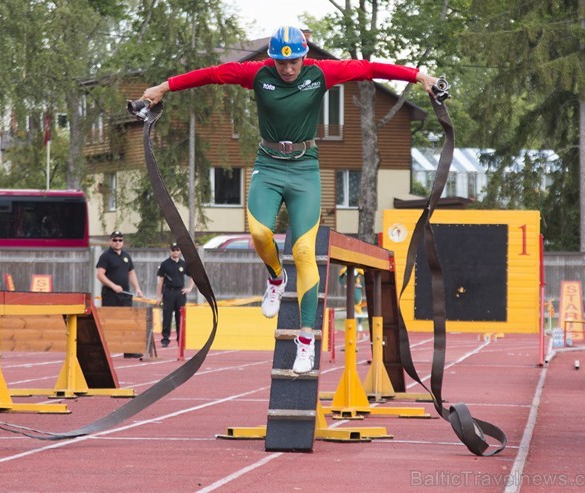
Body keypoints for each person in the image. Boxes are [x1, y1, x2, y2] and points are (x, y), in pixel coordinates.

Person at [140, 26, 440, 373]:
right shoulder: (257, 74)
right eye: (281, 63)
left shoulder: (320, 73)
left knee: (303, 250)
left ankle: (306, 339)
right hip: (268, 165)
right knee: (259, 233)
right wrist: (163, 87)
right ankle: (276, 278)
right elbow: (209, 75)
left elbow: (369, 69)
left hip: (304, 169)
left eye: (293, 62)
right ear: (273, 60)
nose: (287, 69)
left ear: (303, 56)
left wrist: (419, 76)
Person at [156, 242, 195, 348]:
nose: (175, 252)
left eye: (177, 250)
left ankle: (180, 339)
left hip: (180, 293)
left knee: (180, 317)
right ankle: (165, 339)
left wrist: (190, 288)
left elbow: (193, 276)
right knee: (167, 316)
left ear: (180, 251)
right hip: (168, 292)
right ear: (170, 251)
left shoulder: (183, 264)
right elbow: (160, 281)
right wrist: (159, 296)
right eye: (173, 250)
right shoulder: (165, 264)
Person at [96, 231, 144, 307]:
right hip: (110, 295)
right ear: (110, 241)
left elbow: (131, 273)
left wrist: (137, 288)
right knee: (111, 318)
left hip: (125, 294)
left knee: (127, 317)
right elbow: (100, 275)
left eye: (120, 240)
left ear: (123, 242)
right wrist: (113, 286)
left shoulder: (126, 256)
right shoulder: (105, 256)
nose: (117, 242)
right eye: (115, 240)